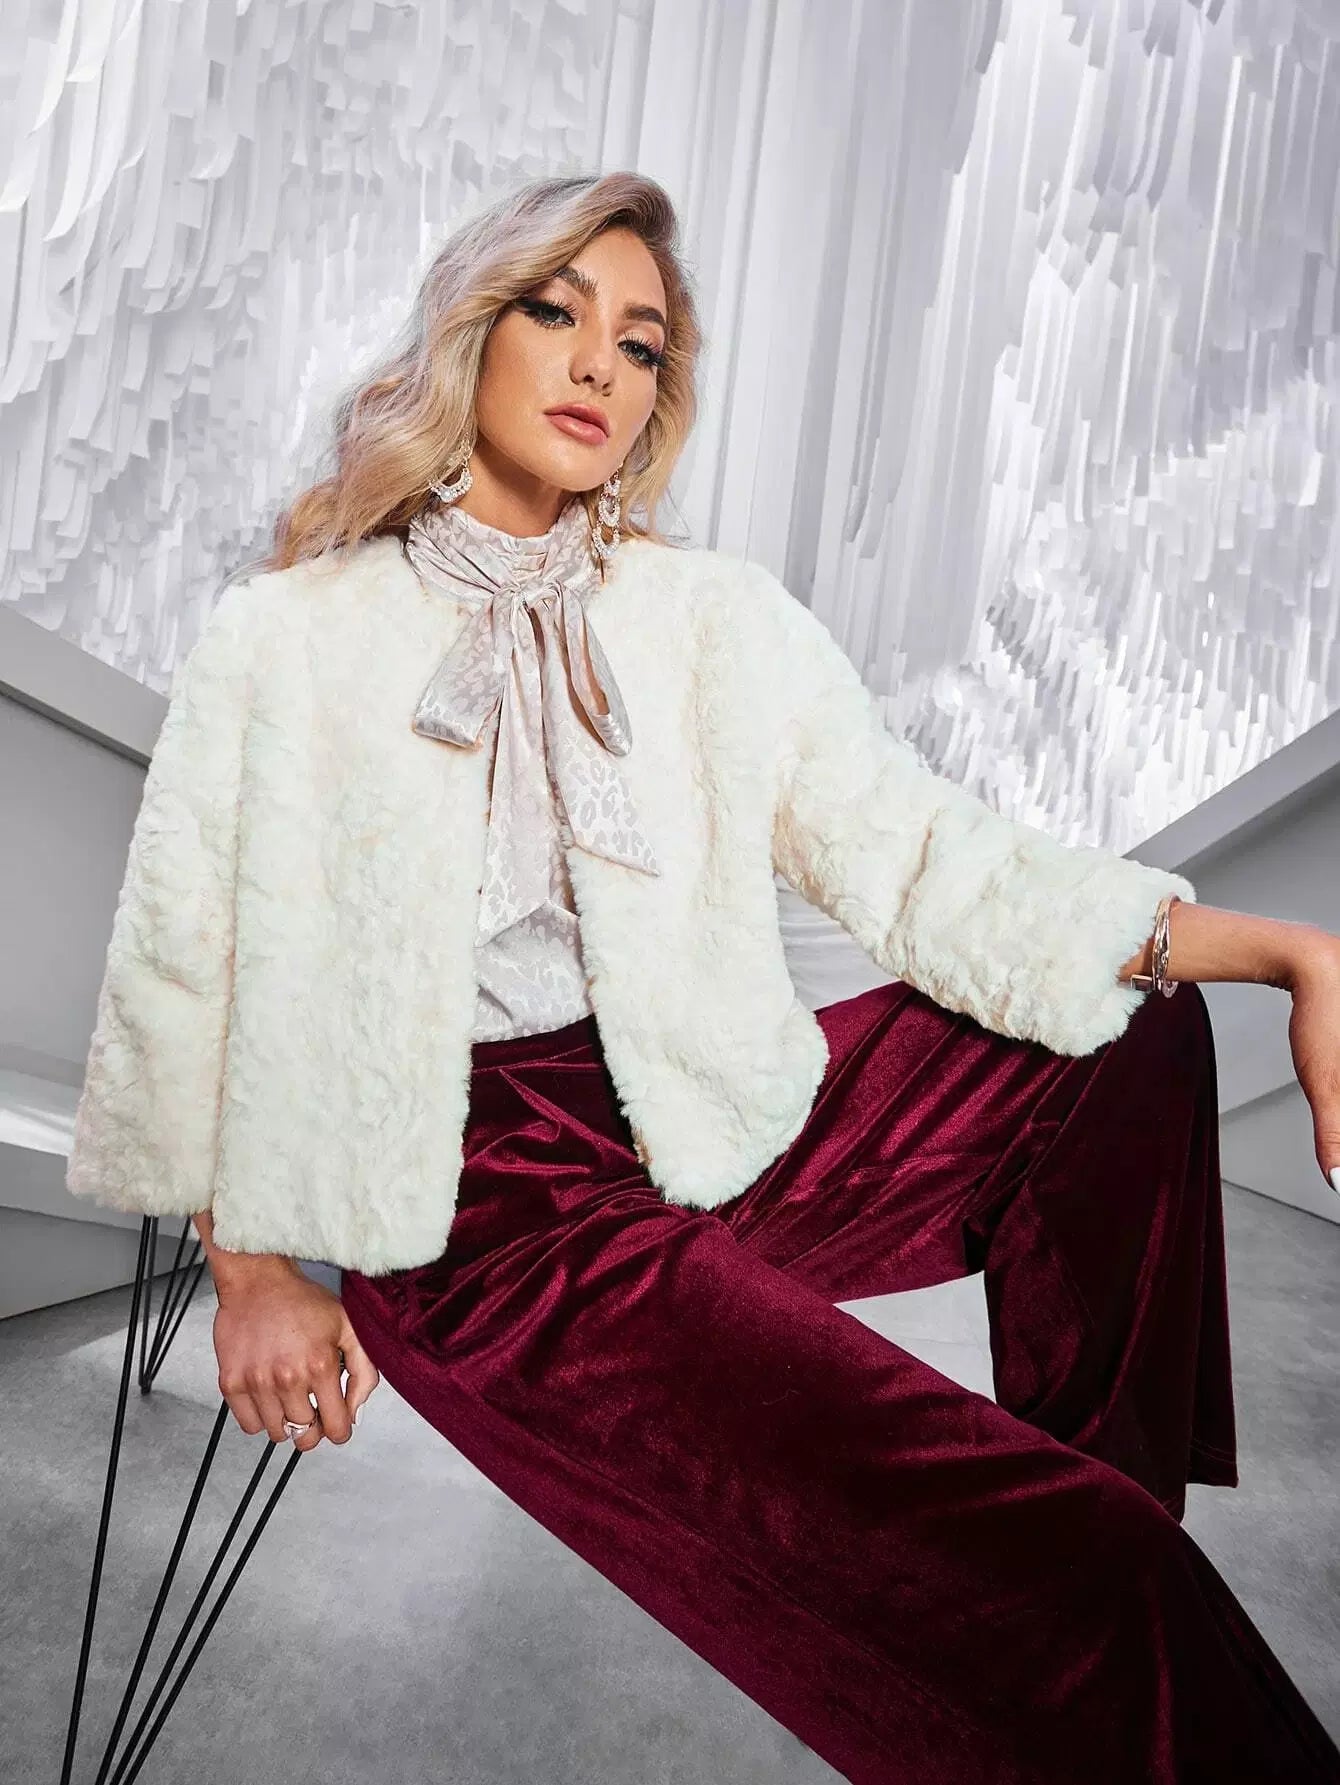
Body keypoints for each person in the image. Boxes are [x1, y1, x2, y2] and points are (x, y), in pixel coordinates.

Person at [66, 171, 1340, 1783]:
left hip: (694, 1102)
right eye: (558, 311)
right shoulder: (293, 636)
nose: (598, 364)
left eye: (641, 343)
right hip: (484, 1219)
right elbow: (189, 960)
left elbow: (923, 853)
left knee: (1127, 1042)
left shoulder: (705, 618)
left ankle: (1060, 1568)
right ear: (473, 328)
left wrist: (1285, 949)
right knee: (1110, 1590)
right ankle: (1075, 1595)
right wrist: (250, 1268)